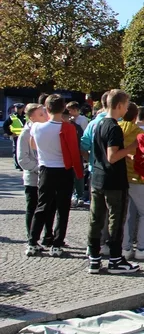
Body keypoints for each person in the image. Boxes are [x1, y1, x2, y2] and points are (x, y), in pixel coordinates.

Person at [88, 90, 139, 273]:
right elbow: (112, 156)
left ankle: (94, 258)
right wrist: (132, 148)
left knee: (96, 219)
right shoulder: (114, 127)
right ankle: (116, 260)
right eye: (126, 105)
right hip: (114, 181)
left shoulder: (98, 123)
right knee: (116, 220)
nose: (127, 108)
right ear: (118, 105)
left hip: (98, 178)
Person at [27, 95, 83, 258]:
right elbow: (73, 151)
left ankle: (32, 241)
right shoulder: (68, 127)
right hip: (64, 170)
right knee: (62, 208)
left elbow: (32, 145)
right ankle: (57, 244)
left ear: (47, 107)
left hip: (45, 169)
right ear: (63, 107)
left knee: (42, 206)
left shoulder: (37, 127)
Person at [118, 102, 144, 261]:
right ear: (136, 116)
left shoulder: (117, 128)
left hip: (120, 176)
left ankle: (125, 246)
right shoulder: (140, 133)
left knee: (127, 214)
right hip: (136, 176)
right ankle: (142, 246)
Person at [17, 103, 50, 249]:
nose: (45, 116)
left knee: (48, 208)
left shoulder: (45, 129)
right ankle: (32, 238)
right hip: (33, 178)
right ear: (32, 117)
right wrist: (39, 168)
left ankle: (48, 236)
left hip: (46, 177)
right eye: (41, 114)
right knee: (33, 207)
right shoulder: (26, 133)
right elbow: (23, 159)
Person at [5, 103, 27, 171]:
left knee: (25, 150)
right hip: (16, 136)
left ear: (22, 108)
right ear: (15, 108)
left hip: (25, 136)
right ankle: (17, 165)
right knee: (16, 150)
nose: (18, 110)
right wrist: (10, 133)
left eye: (20, 108)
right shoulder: (12, 116)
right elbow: (5, 126)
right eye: (17, 108)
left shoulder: (26, 115)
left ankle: (23, 164)